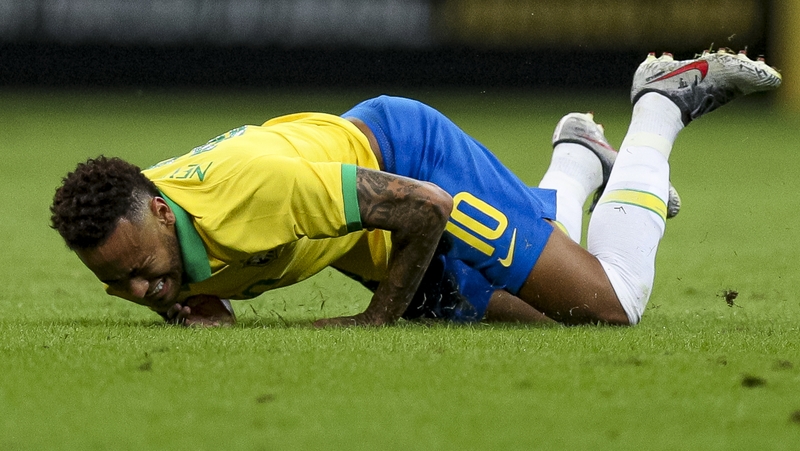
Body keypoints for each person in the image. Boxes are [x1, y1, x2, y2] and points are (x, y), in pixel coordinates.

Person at [50, 48, 781, 327]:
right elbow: (190, 277)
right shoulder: (143, 218)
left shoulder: (253, 192)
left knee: (607, 302)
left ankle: (660, 105)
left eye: (141, 271)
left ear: (160, 210)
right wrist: (190, 301)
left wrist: (376, 320)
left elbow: (426, 208)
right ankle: (580, 158)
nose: (140, 291)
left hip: (411, 166)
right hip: (362, 228)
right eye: (117, 283)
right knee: (546, 311)